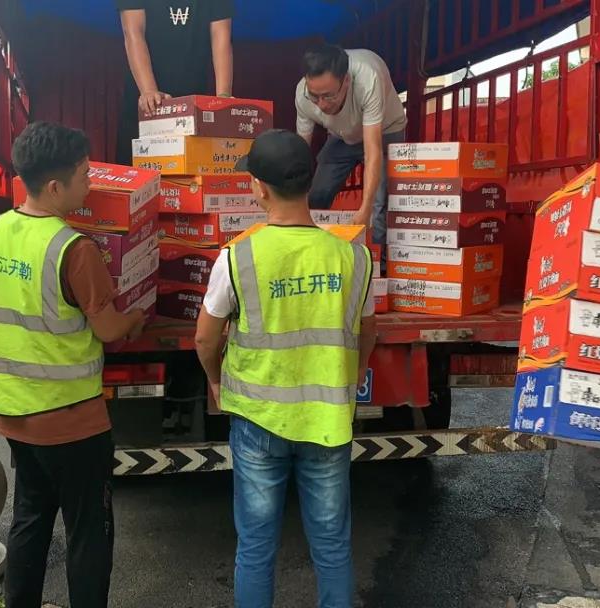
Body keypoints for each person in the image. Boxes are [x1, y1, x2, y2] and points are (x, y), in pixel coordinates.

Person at [195, 129, 378, 608]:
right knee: (332, 545)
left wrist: (215, 379)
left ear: (258, 187)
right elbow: (367, 331)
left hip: (258, 420)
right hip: (327, 422)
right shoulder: (355, 257)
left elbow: (205, 338)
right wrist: (355, 375)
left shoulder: (237, 257)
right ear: (311, 181)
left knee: (256, 547)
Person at [0, 121, 146, 608]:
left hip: (14, 411)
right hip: (70, 417)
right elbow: (108, 329)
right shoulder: (74, 249)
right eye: (84, 175)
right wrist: (135, 317)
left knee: (30, 517)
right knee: (88, 529)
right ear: (55, 187)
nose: (91, 184)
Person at [295, 44, 408, 246]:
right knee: (316, 194)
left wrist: (365, 210)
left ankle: (377, 259)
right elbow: (300, 154)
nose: (321, 104)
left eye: (328, 96)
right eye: (315, 97)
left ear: (346, 81)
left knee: (377, 208)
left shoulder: (368, 79)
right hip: (342, 135)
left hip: (384, 131)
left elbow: (372, 150)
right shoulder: (303, 95)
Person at [114, 0, 235, 165]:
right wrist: (149, 90)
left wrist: (223, 97)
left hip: (193, 106)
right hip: (146, 105)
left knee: (190, 174)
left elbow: (221, 35)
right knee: (138, 173)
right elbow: (133, 33)